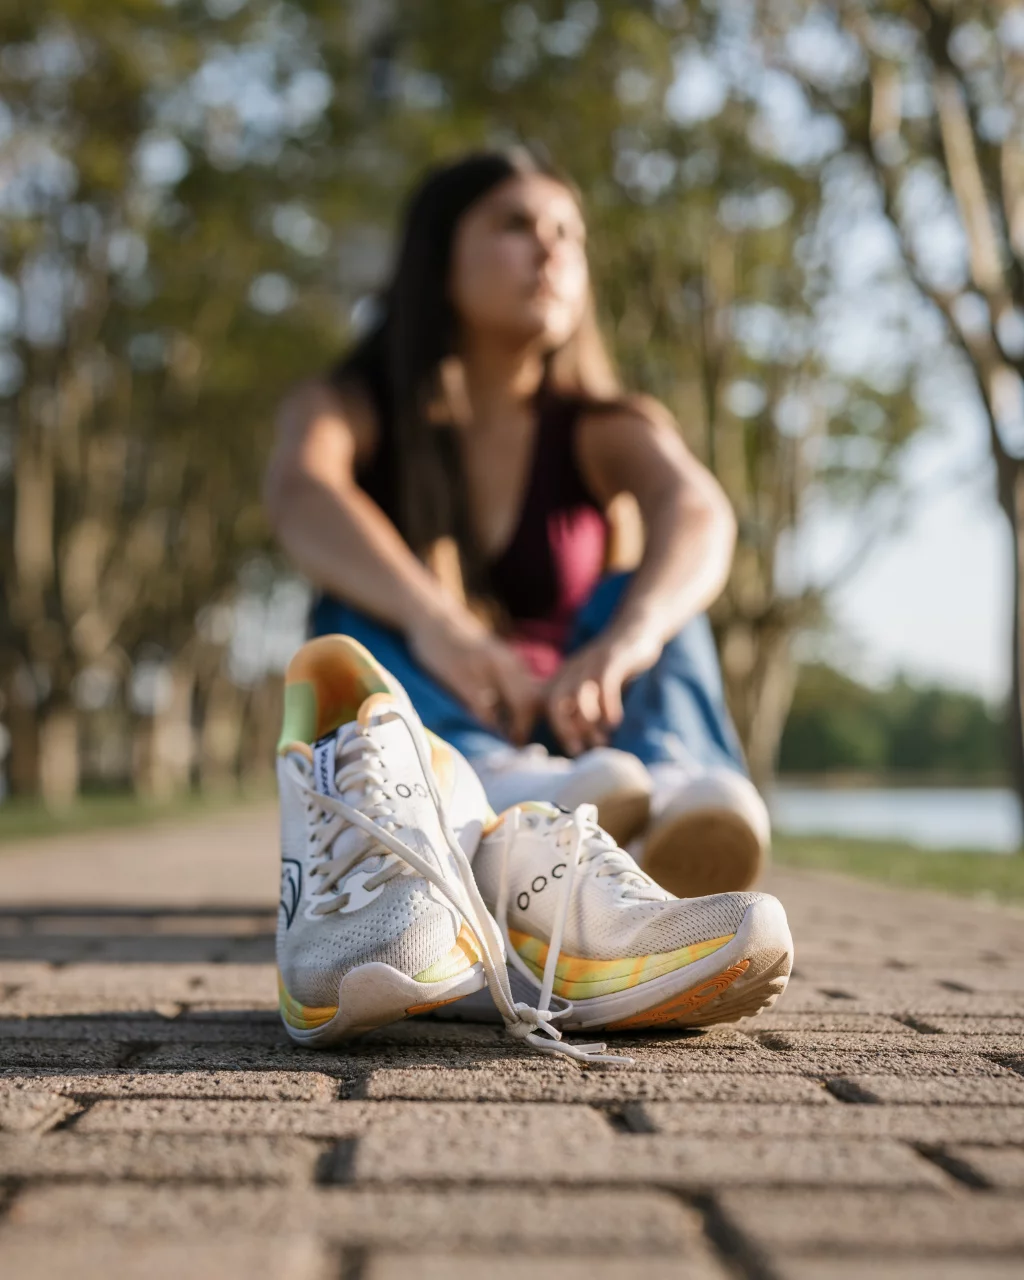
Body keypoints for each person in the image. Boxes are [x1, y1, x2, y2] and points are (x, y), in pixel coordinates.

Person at [265, 147, 771, 898]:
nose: (551, 250)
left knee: (653, 595)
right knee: (349, 612)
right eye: (515, 225)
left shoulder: (603, 424)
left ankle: (673, 794)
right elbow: (302, 493)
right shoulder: (348, 404)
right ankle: (487, 795)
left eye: (569, 234)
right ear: (440, 261)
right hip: (443, 731)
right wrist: (437, 621)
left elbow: (696, 509)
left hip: (594, 744)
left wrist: (626, 642)